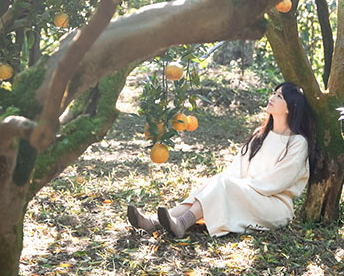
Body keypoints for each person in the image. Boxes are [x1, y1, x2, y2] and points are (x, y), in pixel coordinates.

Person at [127, 82, 315, 238]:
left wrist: (238, 188)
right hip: (249, 193)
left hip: (274, 206)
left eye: (279, 96)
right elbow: (236, 169)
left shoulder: (297, 143)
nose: (272, 97)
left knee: (222, 183)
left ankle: (182, 224)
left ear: (291, 107)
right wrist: (232, 187)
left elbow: (279, 181)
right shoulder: (260, 135)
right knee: (217, 182)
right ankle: (154, 221)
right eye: (274, 93)